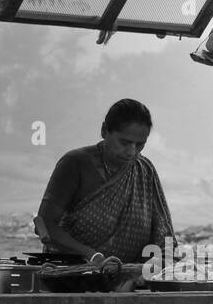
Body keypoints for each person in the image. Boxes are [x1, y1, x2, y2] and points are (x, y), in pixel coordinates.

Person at [36, 99, 174, 270]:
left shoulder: (145, 170)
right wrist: (92, 256)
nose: (132, 151)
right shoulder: (75, 163)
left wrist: (160, 265)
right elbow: (44, 223)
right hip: (73, 273)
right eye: (124, 142)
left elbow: (163, 234)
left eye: (140, 144)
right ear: (104, 130)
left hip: (128, 276)